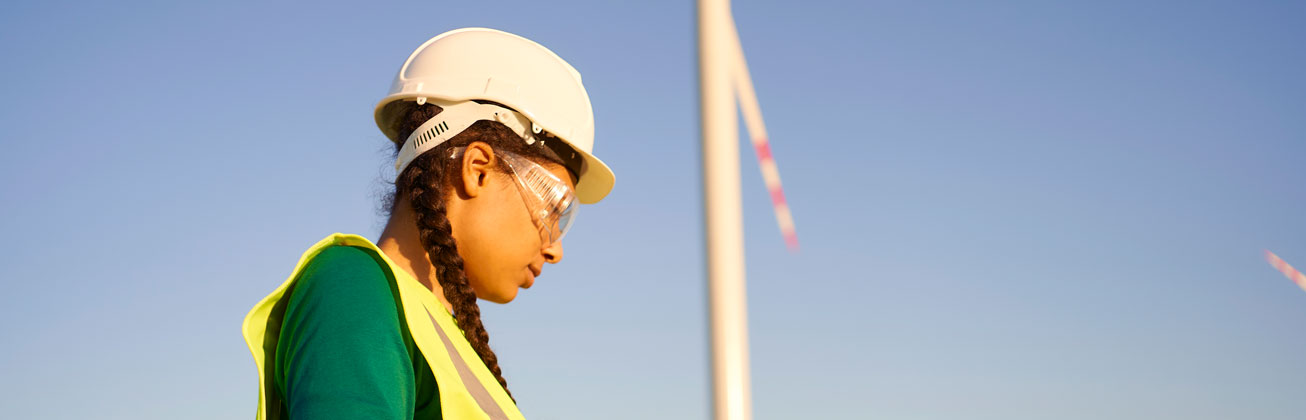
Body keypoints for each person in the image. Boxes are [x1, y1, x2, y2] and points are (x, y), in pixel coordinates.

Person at [241, 27, 615, 420]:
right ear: (477, 170)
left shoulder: (447, 339)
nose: (555, 249)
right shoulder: (355, 288)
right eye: (554, 208)